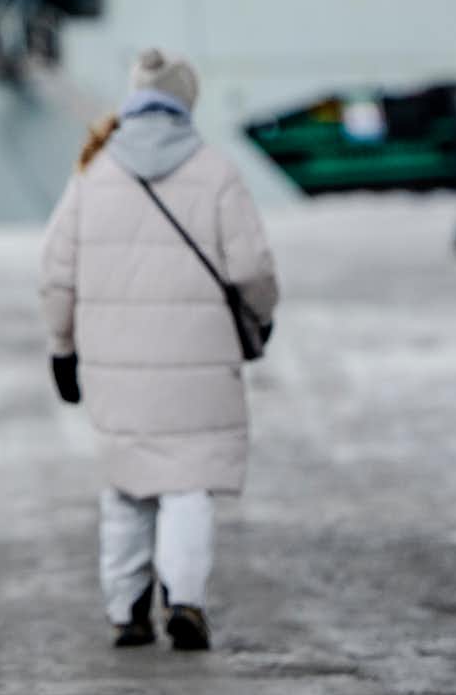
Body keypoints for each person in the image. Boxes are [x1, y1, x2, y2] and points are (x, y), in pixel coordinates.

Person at [40, 49, 279, 651]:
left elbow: (57, 274)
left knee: (126, 484)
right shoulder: (216, 171)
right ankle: (187, 601)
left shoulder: (92, 176)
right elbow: (251, 265)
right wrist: (263, 315)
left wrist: (61, 349)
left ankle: (126, 610)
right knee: (187, 485)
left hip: (113, 365)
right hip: (199, 365)